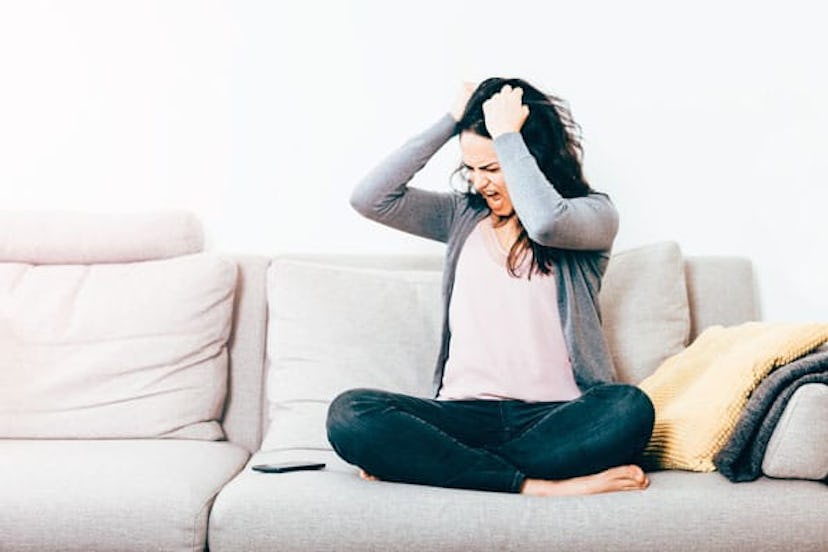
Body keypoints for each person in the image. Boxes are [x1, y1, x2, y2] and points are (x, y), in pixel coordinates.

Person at [326, 77, 655, 497]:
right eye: (472, 169)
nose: (481, 183)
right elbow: (369, 198)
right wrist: (450, 121)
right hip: (464, 418)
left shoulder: (592, 215)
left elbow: (545, 222)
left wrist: (506, 136)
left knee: (629, 407)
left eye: (493, 168)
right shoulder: (460, 216)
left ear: (529, 157)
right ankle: (538, 485)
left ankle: (444, 468)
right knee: (350, 414)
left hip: (555, 417)